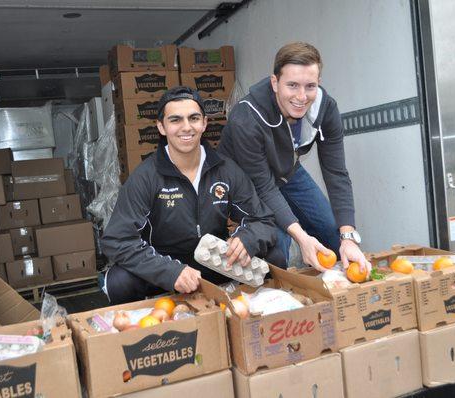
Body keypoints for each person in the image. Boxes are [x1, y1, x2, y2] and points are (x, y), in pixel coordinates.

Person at [101, 86, 282, 304]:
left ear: (204, 123)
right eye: (176, 120)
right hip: (162, 267)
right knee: (119, 282)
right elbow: (117, 240)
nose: (186, 127)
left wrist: (247, 238)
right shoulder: (146, 176)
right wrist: (169, 271)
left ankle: (252, 322)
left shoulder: (225, 169)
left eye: (194, 118)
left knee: (274, 257)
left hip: (213, 261)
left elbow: (263, 219)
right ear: (161, 126)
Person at [217, 42, 371, 272]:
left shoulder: (326, 109)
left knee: (332, 231)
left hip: (286, 170)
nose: (301, 96)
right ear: (274, 83)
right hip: (245, 180)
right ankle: (280, 298)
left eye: (310, 86)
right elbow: (263, 186)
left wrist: (348, 236)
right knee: (280, 245)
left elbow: (336, 172)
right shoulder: (246, 118)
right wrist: (301, 237)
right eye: (292, 85)